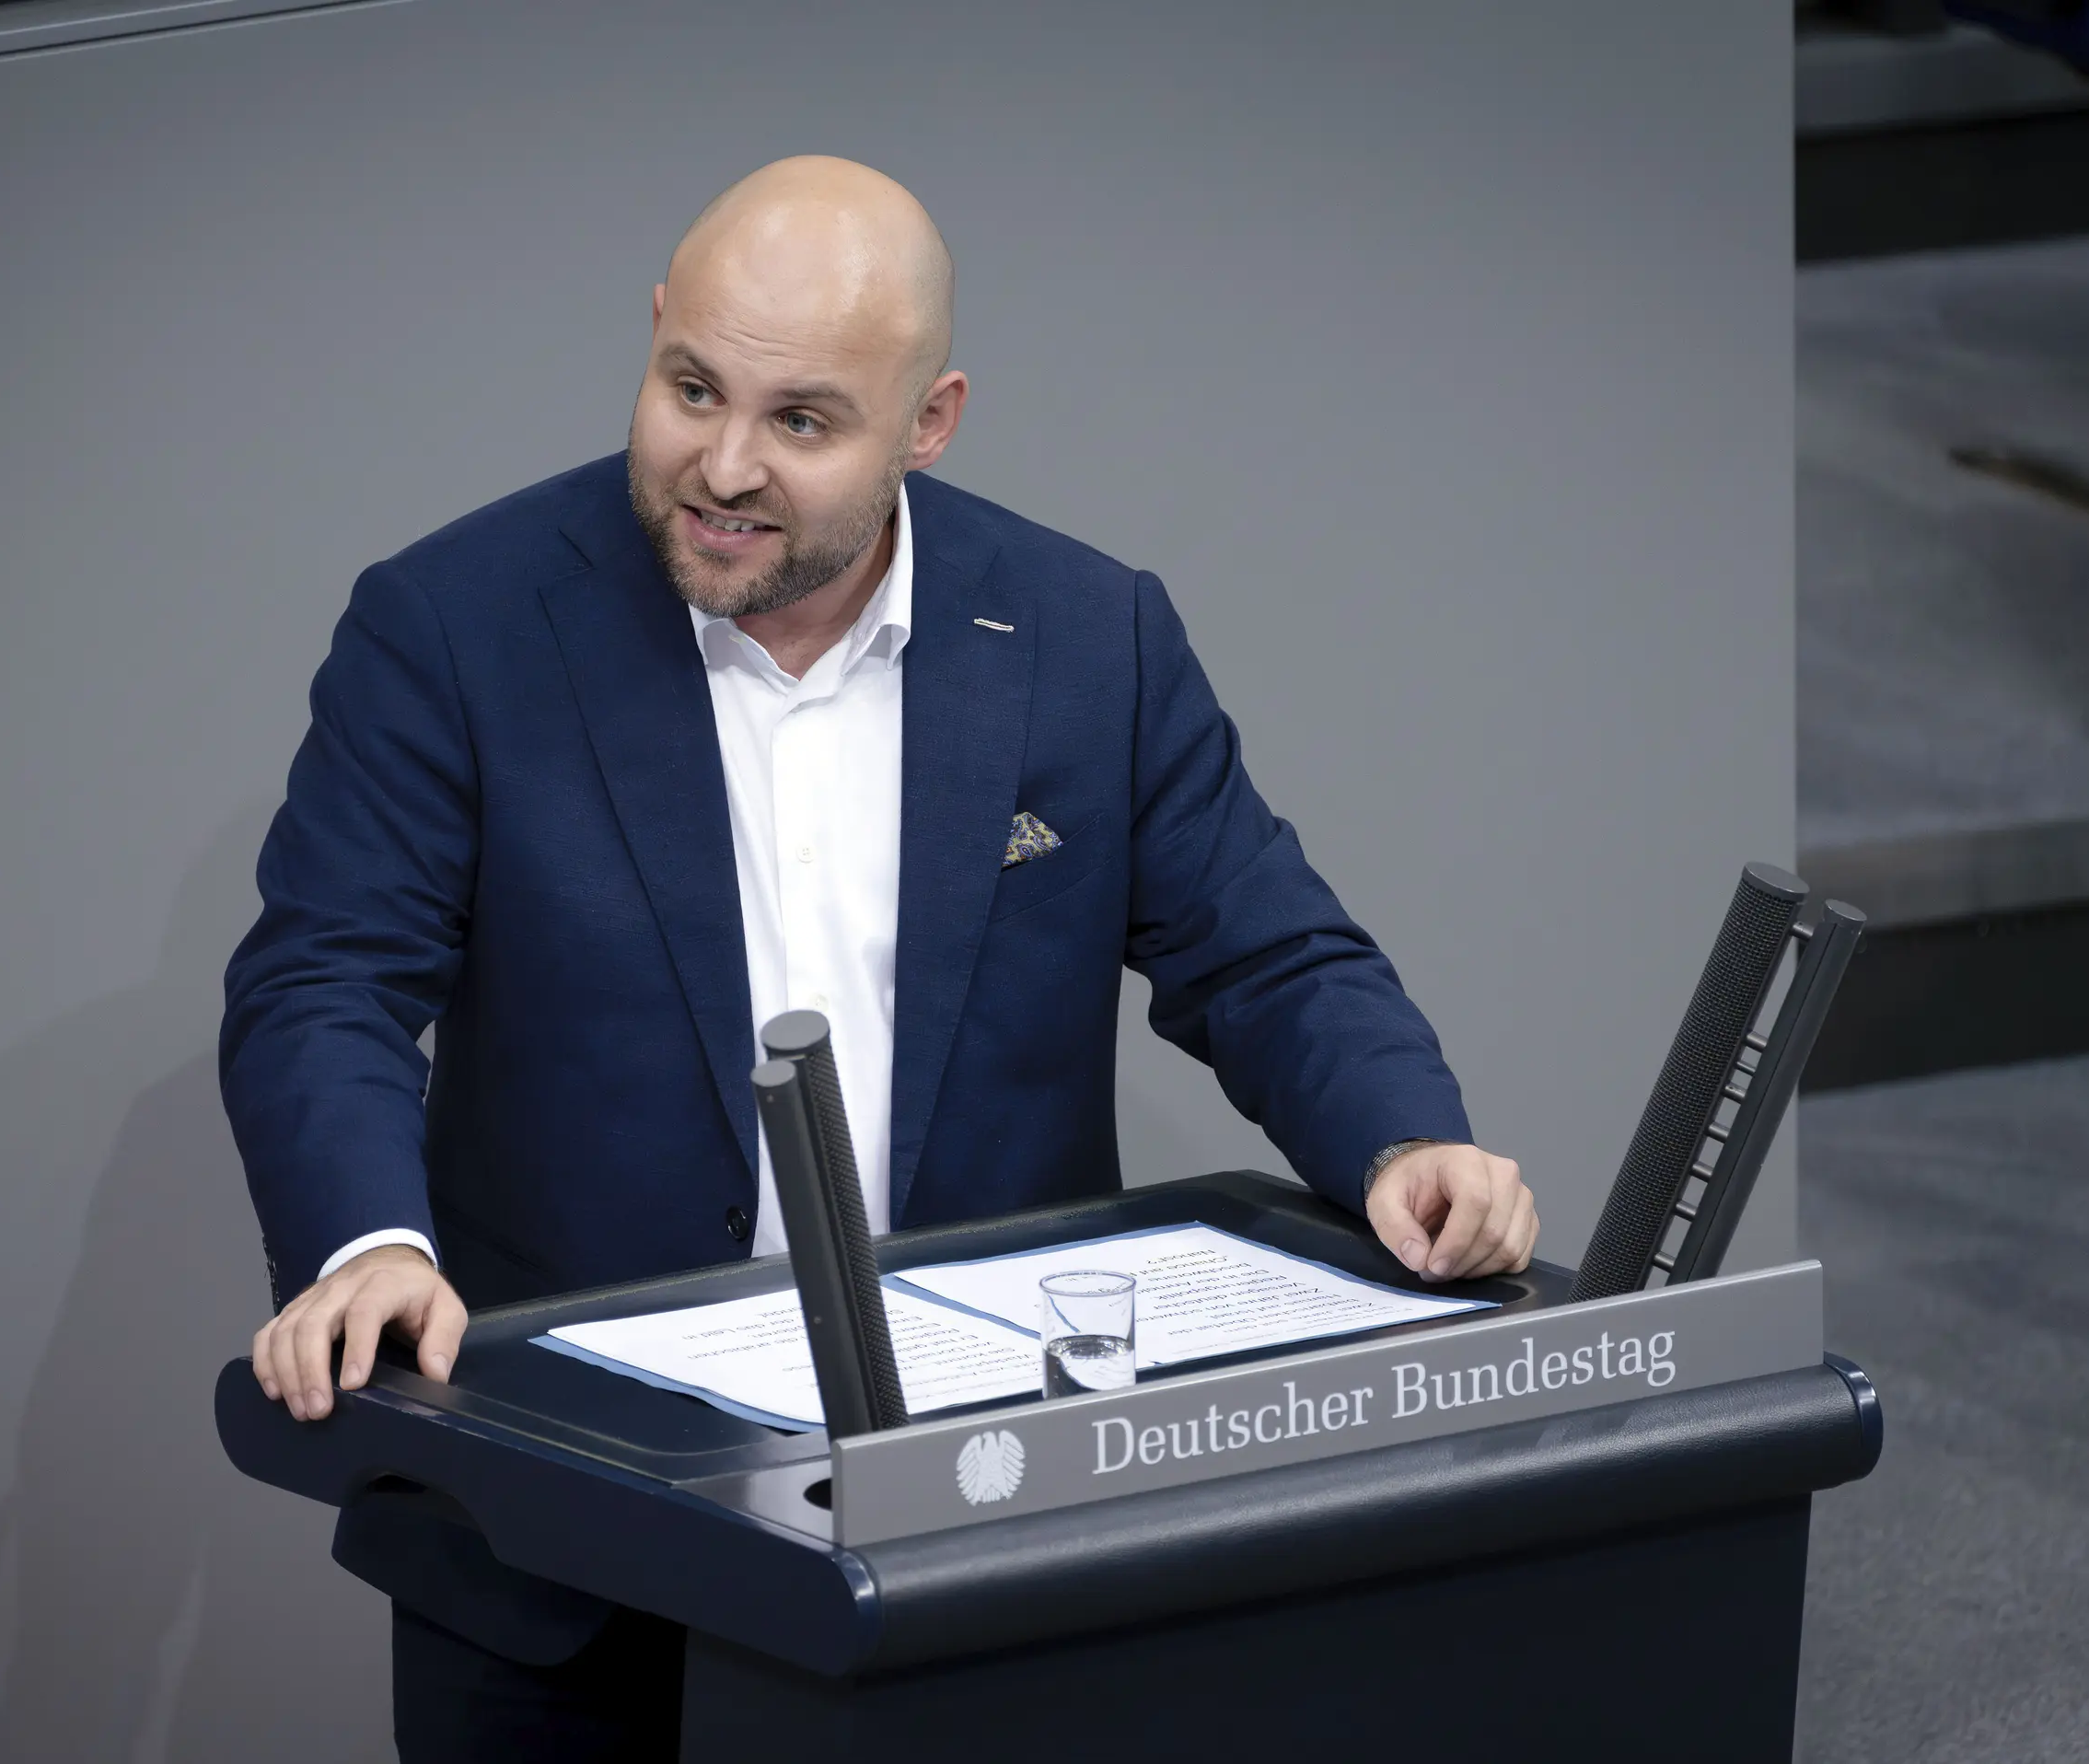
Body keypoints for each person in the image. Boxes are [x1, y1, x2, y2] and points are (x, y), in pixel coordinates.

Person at [221, 155, 1538, 1759]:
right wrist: (367, 1244)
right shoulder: (453, 623)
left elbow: (1268, 953)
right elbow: (325, 982)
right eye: (690, 386)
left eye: (801, 421)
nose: (721, 466)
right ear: (652, 333)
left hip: (979, 1517)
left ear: (930, 423)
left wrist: (1406, 1133)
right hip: (566, 1539)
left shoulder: (1083, 634)